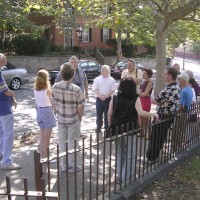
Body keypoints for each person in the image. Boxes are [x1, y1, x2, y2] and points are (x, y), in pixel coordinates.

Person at [107, 77, 159, 183]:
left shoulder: (115, 97)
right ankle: (127, 177)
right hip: (130, 129)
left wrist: (110, 126)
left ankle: (120, 175)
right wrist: (153, 114)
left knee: (120, 152)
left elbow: (109, 114)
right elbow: (140, 113)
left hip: (117, 129)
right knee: (130, 154)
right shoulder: (135, 98)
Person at [52, 62, 86, 173]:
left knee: (62, 143)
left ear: (61, 74)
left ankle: (63, 165)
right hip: (73, 119)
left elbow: (54, 104)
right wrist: (79, 118)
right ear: (72, 75)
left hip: (61, 119)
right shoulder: (76, 89)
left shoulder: (55, 87)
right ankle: (72, 166)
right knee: (73, 143)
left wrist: (58, 113)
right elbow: (80, 107)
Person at [145, 67, 180, 162]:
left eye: (165, 74)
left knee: (156, 136)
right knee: (161, 136)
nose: (163, 76)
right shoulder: (176, 86)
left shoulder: (168, 90)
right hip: (171, 115)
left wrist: (149, 93)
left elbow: (154, 101)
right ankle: (154, 156)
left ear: (170, 76)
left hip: (162, 115)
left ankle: (150, 157)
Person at [0, 53, 21, 170]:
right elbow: (5, 91)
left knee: (2, 133)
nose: (6, 63)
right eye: (4, 61)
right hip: (4, 108)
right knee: (8, 134)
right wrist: (13, 94)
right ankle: (7, 161)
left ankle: (1, 155)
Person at [34, 69, 56, 160]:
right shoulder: (48, 90)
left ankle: (42, 157)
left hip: (39, 111)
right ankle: (46, 158)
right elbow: (53, 103)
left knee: (42, 136)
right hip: (47, 111)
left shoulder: (35, 89)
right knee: (47, 137)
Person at [92, 65, 116, 133]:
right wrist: (100, 96)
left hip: (108, 99)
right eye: (101, 70)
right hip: (99, 99)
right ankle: (98, 127)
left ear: (107, 71)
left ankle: (106, 127)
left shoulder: (112, 80)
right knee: (99, 114)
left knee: (107, 114)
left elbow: (112, 90)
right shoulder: (97, 79)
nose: (101, 71)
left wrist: (105, 96)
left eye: (103, 70)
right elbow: (95, 89)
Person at [138, 68, 153, 137]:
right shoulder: (143, 82)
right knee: (140, 115)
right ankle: (141, 132)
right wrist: (141, 93)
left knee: (146, 116)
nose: (143, 74)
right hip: (141, 100)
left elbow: (145, 93)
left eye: (144, 73)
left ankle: (149, 133)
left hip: (146, 100)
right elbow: (140, 92)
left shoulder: (150, 82)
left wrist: (140, 93)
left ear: (148, 75)